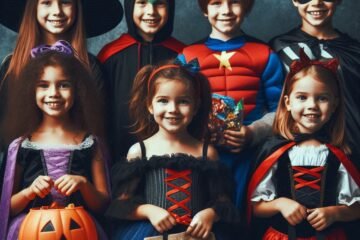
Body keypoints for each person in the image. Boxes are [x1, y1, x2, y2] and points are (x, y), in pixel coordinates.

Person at [0, 0, 123, 197]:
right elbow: (5, 136)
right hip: (23, 189)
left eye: (65, 2)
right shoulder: (11, 68)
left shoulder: (91, 68)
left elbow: (101, 130)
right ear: (33, 8)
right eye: (46, 2)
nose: (56, 11)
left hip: (81, 187)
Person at [106, 60, 238, 240]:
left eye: (183, 101)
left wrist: (209, 214)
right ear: (150, 106)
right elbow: (121, 206)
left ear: (196, 107)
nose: (173, 109)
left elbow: (223, 203)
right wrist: (148, 211)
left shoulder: (206, 152)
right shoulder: (140, 151)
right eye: (163, 101)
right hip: (150, 234)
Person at [178, 0, 284, 212]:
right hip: (201, 156)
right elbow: (176, 109)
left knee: (246, 217)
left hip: (253, 155)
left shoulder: (264, 54)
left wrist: (254, 132)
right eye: (216, 3)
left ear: (247, 7)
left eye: (234, 2)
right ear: (204, 10)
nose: (226, 11)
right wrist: (199, 131)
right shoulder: (187, 56)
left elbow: (281, 111)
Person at [0, 44, 110, 240]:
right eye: (43, 85)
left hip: (80, 229)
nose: (54, 93)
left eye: (64, 84)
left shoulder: (90, 143)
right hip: (30, 230)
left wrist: (84, 184)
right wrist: (28, 192)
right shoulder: (22, 146)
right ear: (31, 91)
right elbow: (6, 208)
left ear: (77, 91)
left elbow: (103, 205)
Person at [247, 51, 360, 239]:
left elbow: (357, 209)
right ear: (287, 102)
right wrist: (280, 204)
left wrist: (335, 213)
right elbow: (256, 209)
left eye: (322, 98)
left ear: (334, 105)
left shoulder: (342, 153)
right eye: (302, 97)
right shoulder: (273, 151)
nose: (312, 106)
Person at [270, 0, 360, 171]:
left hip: (350, 149)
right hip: (293, 154)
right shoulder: (279, 48)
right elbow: (270, 105)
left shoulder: (355, 51)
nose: (316, 3)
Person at [97, 0, 185, 162]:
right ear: (130, 6)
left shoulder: (182, 55)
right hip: (119, 155)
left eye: (159, 4)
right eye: (142, 3)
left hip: (172, 156)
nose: (151, 11)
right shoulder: (110, 55)